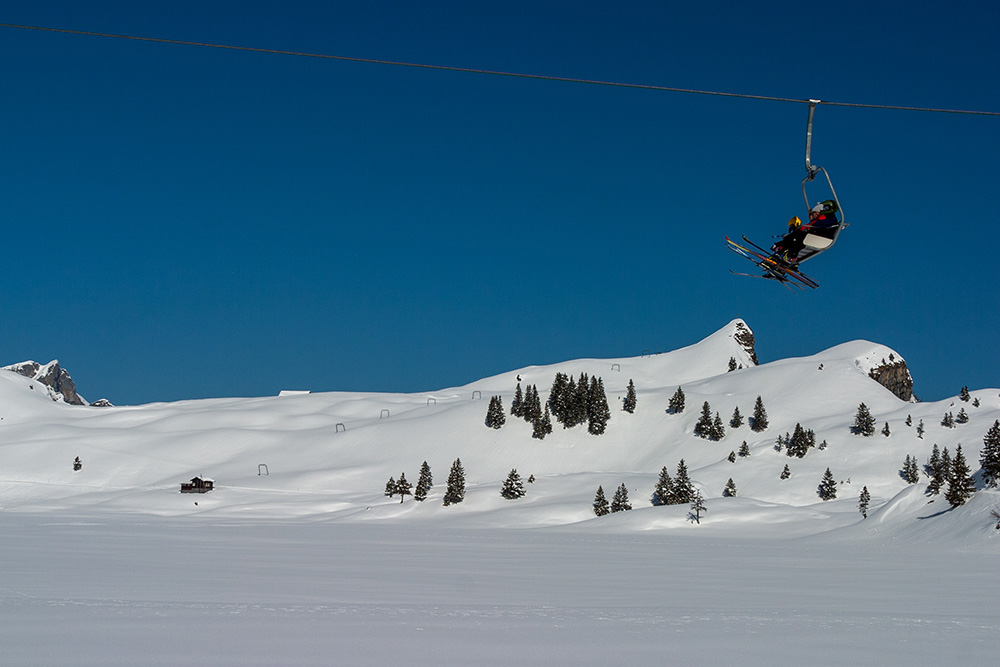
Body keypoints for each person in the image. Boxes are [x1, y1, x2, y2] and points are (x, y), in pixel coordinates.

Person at [770, 200, 839, 264]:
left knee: (796, 236)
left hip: (817, 236)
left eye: (814, 213)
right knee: (795, 237)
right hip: (819, 238)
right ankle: (784, 259)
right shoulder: (827, 219)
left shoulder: (826, 218)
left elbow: (811, 226)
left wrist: (798, 228)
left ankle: (784, 253)